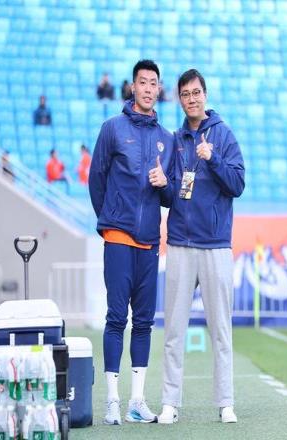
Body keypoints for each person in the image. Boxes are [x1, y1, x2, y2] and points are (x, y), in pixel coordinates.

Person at [158, 69, 245, 425]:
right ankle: (169, 403)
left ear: (205, 95)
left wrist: (213, 158)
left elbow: (237, 184)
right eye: (185, 94)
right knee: (173, 330)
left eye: (196, 92)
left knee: (221, 331)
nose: (191, 99)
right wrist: (162, 184)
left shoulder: (223, 135)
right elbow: (171, 194)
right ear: (179, 99)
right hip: (180, 242)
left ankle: (225, 403)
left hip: (215, 245)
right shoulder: (175, 140)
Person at [89, 59, 173, 426]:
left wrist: (164, 184)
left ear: (158, 89)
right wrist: (111, 218)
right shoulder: (112, 129)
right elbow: (96, 179)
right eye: (143, 82)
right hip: (119, 237)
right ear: (132, 87)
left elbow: (171, 196)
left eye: (154, 83)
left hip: (150, 242)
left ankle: (137, 401)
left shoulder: (167, 138)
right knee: (115, 318)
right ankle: (112, 400)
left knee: (143, 322)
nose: (148, 88)